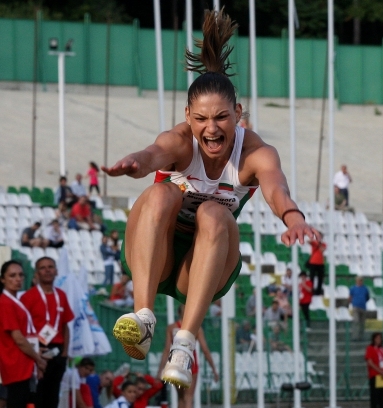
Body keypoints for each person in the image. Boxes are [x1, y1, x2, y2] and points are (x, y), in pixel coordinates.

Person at [102, 8, 319, 389]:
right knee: (159, 194)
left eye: (221, 117)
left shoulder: (255, 153)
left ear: (238, 114)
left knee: (214, 215)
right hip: (153, 254)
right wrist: (136, 163)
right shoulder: (180, 140)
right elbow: (153, 155)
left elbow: (275, 187)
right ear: (188, 116)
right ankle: (143, 317)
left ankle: (184, 345)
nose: (211, 128)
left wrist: (293, 217)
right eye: (201, 119)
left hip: (204, 267)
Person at [20, 257, 75, 408]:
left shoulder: (61, 295)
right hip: (37, 349)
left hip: (57, 350)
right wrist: (33, 351)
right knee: (36, 395)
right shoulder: (28, 297)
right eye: (43, 268)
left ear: (56, 271)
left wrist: (64, 353)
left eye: (50, 267)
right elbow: (22, 328)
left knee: (53, 396)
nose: (47, 270)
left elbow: (65, 325)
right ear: (37, 273)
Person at [0, 260, 48, 408]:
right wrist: (38, 359)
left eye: (21, 275)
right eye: (12, 275)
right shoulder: (5, 302)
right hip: (15, 364)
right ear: (3, 279)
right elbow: (18, 338)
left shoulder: (13, 300)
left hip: (23, 363)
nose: (18, 279)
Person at [157, 305, 219, 408]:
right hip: (190, 364)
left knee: (181, 397)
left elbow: (166, 350)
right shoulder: (197, 329)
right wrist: (214, 369)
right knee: (188, 397)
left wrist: (160, 370)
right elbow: (205, 350)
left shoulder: (172, 328)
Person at [365, 332, 383, 408]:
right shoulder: (370, 348)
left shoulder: (382, 349)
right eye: (377, 338)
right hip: (375, 375)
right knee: (375, 397)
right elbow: (370, 362)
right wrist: (379, 370)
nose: (379, 340)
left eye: (380, 338)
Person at [349, 276, 370, 341]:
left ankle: (361, 336)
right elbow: (350, 297)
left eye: (361, 280)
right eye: (358, 280)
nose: (360, 282)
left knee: (362, 323)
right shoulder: (353, 288)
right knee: (356, 321)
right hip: (356, 306)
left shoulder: (365, 288)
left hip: (363, 307)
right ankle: (355, 336)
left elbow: (367, 297)